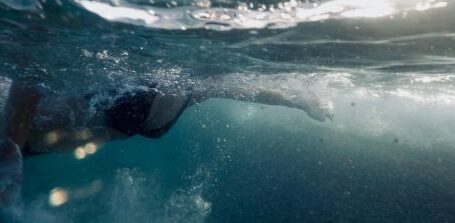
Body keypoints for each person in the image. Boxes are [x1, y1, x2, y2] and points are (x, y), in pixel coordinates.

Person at [0, 76, 332, 206]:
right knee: (207, 86)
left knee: (206, 85)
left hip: (130, 116)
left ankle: (301, 100)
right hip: (131, 116)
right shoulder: (15, 134)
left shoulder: (16, 133)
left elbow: (26, 85)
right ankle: (302, 100)